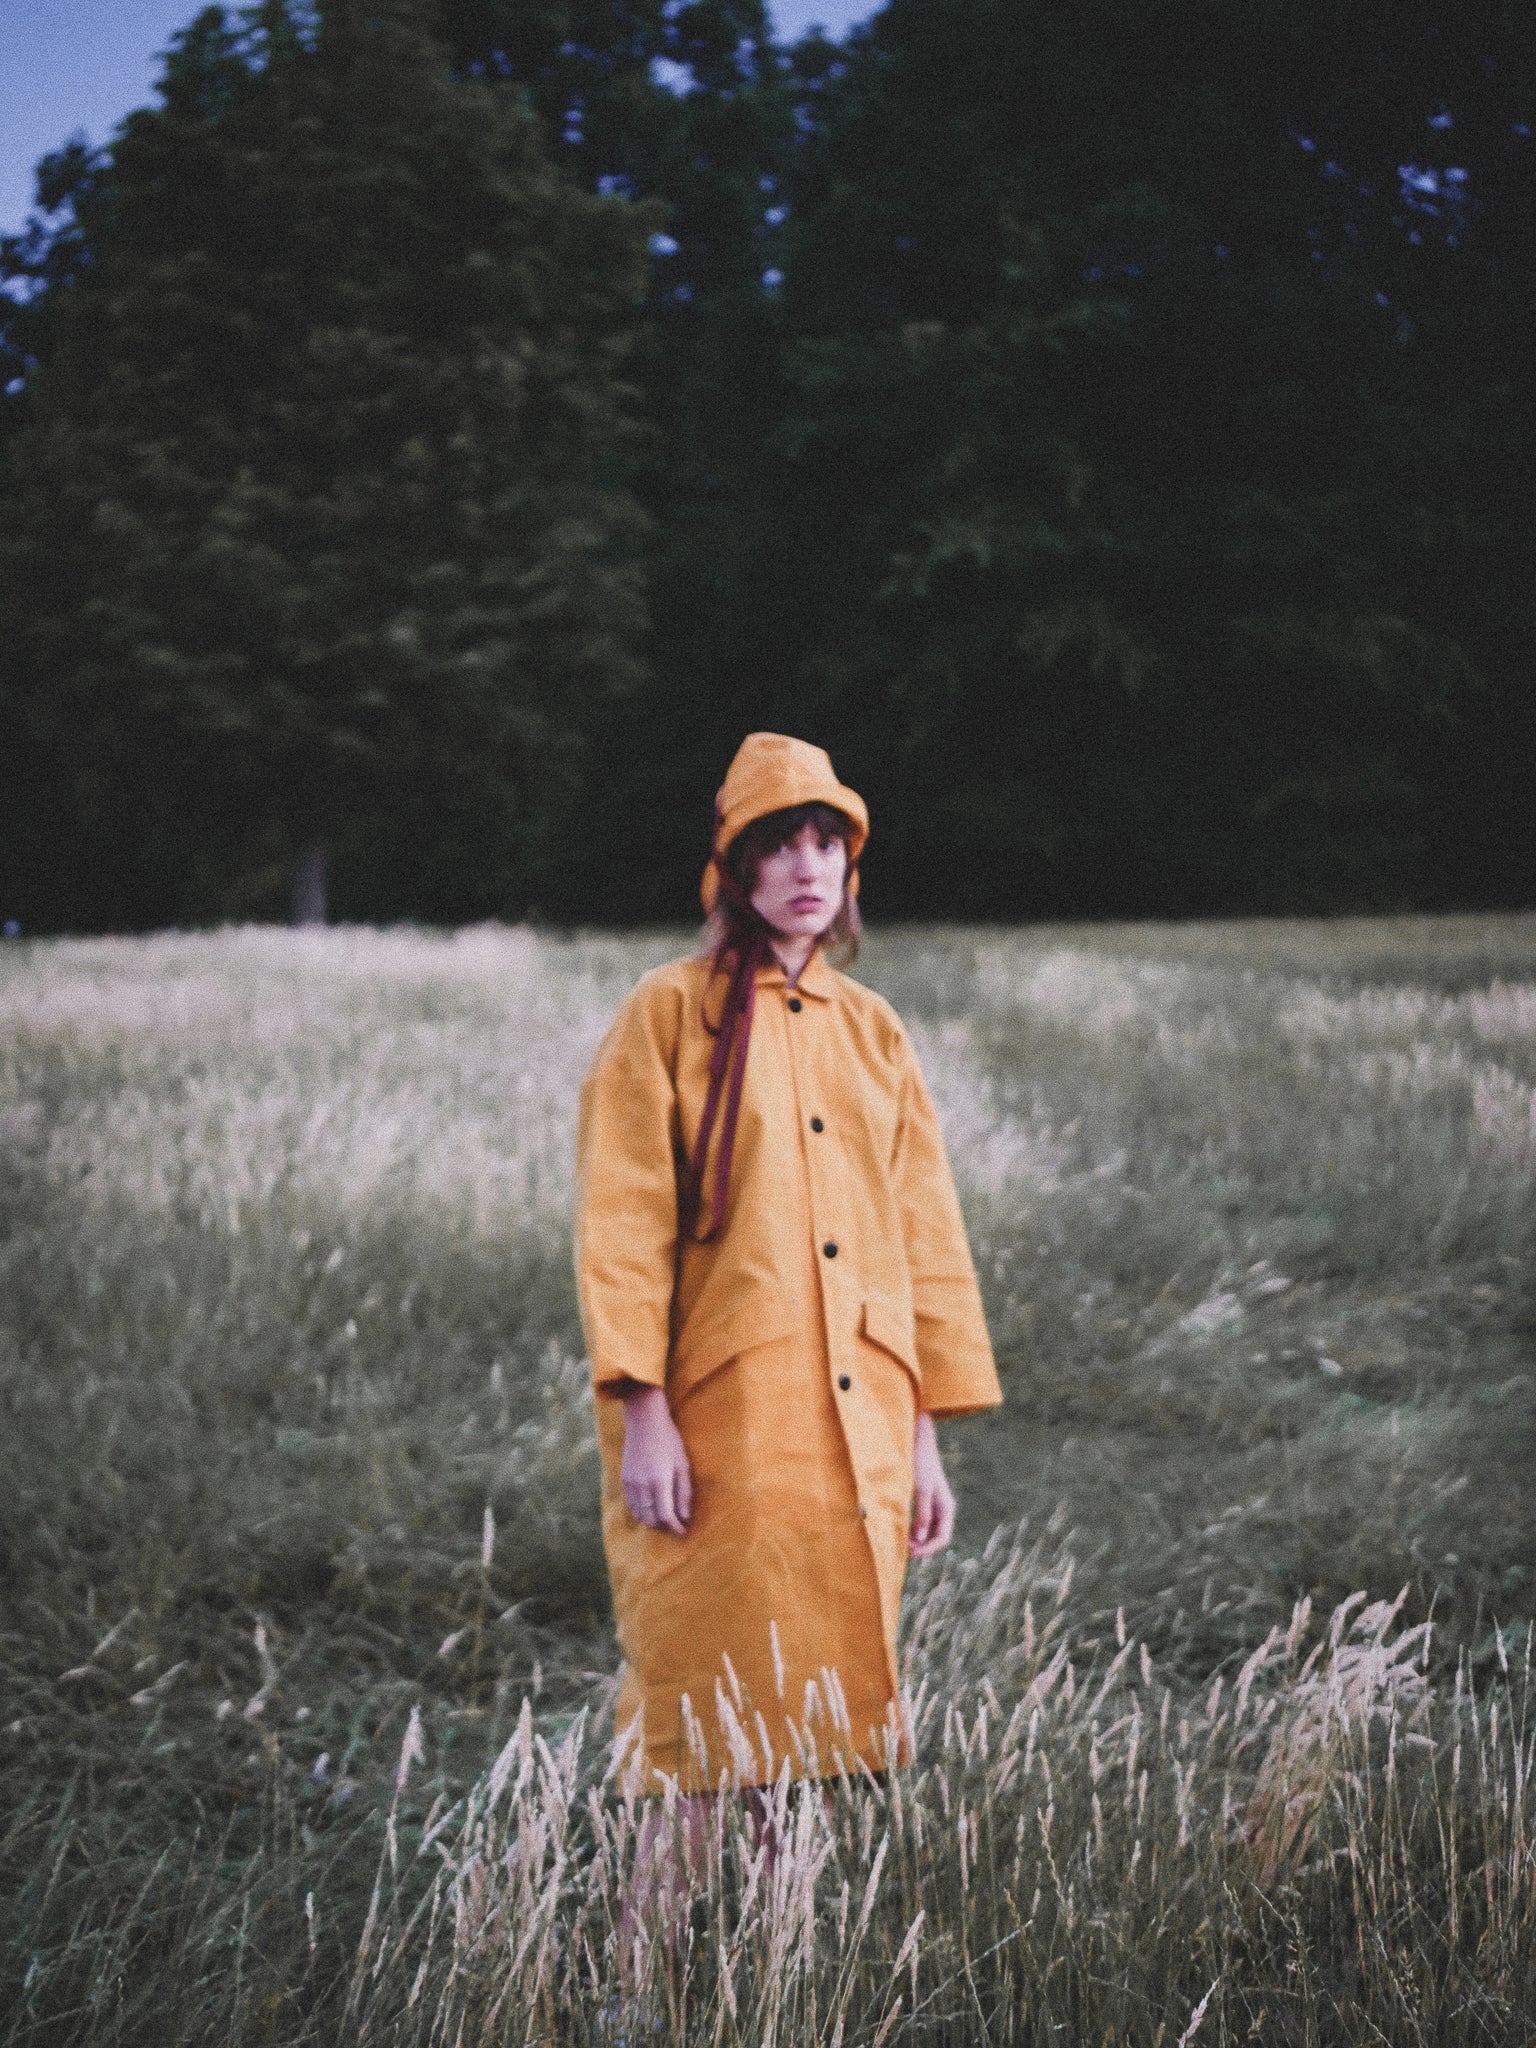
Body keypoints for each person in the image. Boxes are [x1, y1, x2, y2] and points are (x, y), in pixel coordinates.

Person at [576, 733, 1002, 1798]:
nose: (807, 868)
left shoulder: (874, 1032)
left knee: (807, 1738)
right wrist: (642, 1408)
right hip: (727, 1416)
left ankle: (775, 1914)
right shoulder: (669, 1013)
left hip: (863, 1420)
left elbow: (923, 1238)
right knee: (700, 1710)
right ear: (736, 868)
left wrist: (922, 1440)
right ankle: (656, 1915)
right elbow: (623, 1223)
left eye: (827, 843)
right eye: (779, 845)